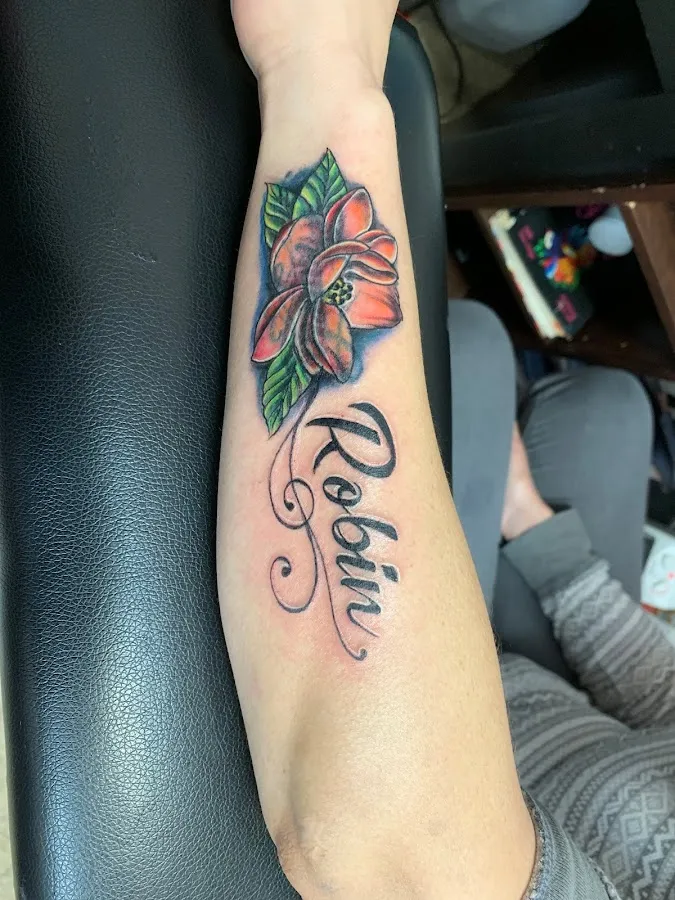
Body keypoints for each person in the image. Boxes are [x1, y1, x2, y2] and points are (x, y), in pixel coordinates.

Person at [217, 1, 637, 897]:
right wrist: (534, 526)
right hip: (574, 699)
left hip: (495, 779)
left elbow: (375, 842)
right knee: (566, 383)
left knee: (475, 352)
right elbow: (660, 693)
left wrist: (322, 81)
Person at [450, 299, 675, 900]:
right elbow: (659, 698)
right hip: (543, 692)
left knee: (468, 345)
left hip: (435, 743)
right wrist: (525, 514)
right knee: (611, 405)